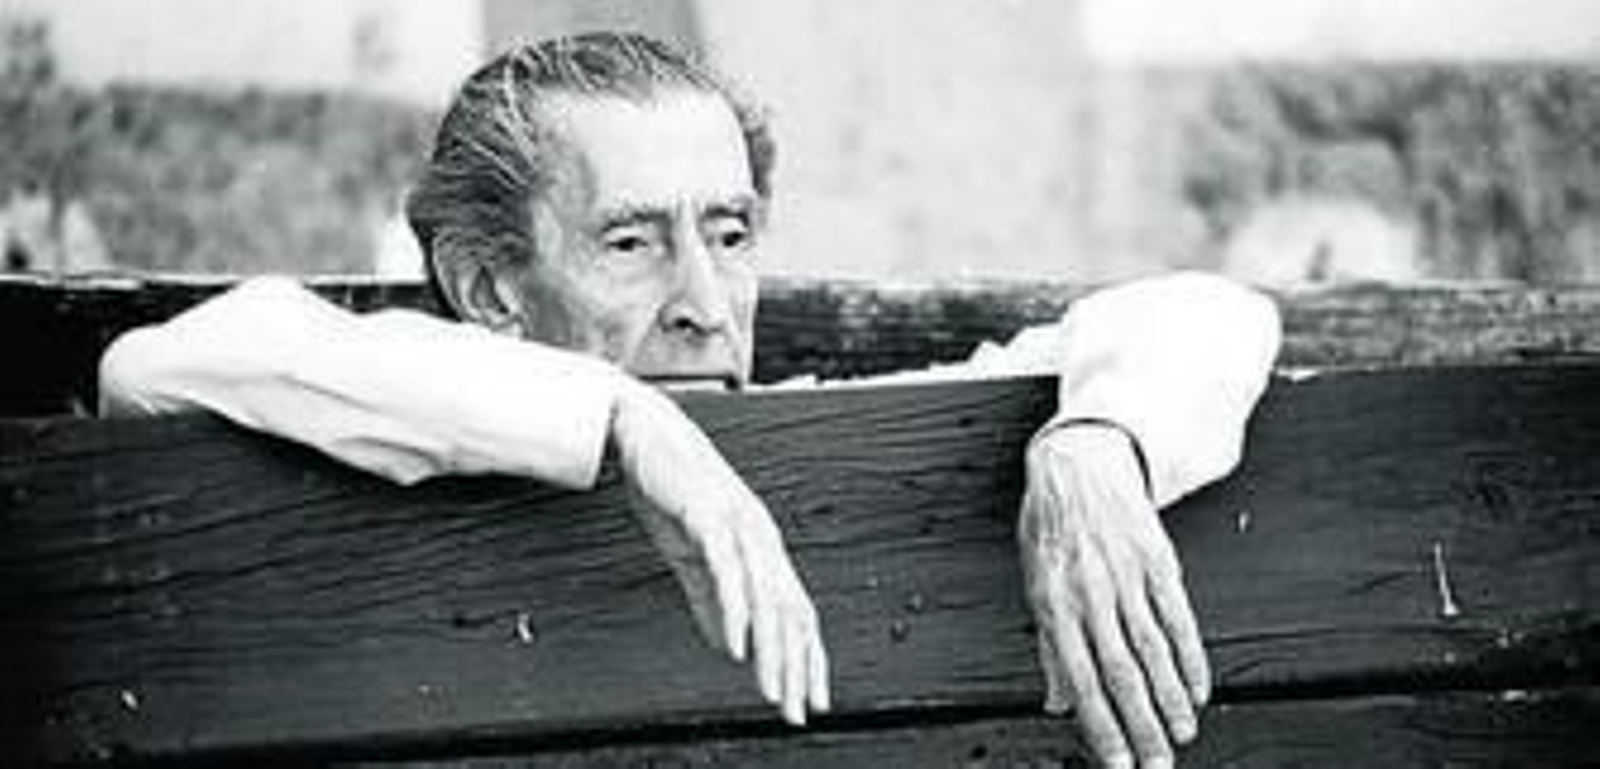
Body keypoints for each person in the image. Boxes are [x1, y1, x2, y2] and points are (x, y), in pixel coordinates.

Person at [98, 33, 1279, 769]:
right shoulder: (389, 413)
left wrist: (1091, 443)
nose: (705, 304)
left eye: (729, 232)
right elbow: (152, 369)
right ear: (486, 287)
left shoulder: (848, 433)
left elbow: (1211, 311)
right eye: (630, 241)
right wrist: (620, 419)